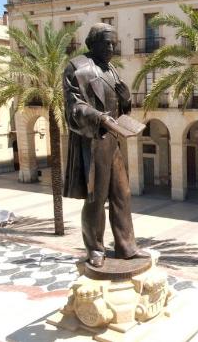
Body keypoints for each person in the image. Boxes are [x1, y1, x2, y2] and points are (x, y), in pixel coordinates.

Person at [63, 23, 148, 267]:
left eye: (114, 43)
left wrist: (126, 99)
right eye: (106, 43)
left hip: (113, 139)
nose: (111, 48)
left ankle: (126, 247)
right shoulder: (77, 68)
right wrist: (99, 117)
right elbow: (73, 106)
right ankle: (95, 248)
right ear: (92, 44)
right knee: (95, 198)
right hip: (93, 140)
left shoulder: (111, 70)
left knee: (123, 194)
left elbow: (119, 108)